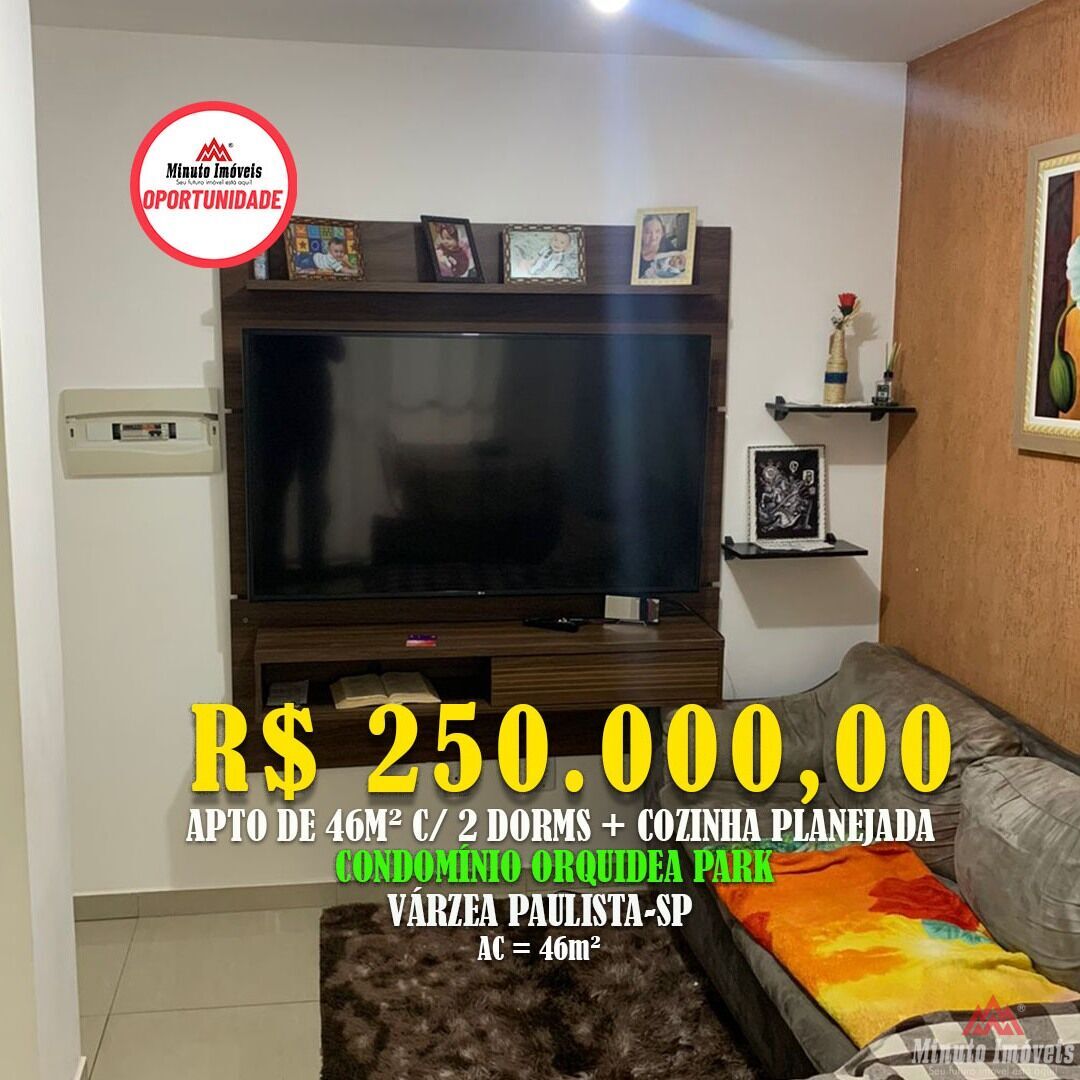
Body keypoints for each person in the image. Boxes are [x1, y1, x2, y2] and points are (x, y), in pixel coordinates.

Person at [638, 214, 673, 278]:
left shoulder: (667, 244)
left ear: (662, 233)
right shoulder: (635, 253)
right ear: (641, 233)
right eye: (648, 232)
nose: (653, 237)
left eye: (657, 231)